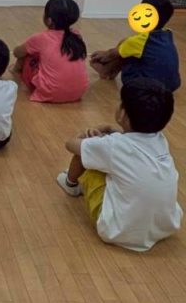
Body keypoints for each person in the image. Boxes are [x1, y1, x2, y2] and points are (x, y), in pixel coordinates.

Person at [56, 78, 182, 252]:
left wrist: (87, 134)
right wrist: (109, 131)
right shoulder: (161, 140)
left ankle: (70, 185)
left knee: (89, 157)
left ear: (123, 114)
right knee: (110, 161)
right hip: (165, 226)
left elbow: (71, 145)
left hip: (117, 230)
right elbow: (130, 145)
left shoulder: (113, 146)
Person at [90, 0, 180, 92]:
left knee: (126, 50)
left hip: (144, 86)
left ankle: (106, 72)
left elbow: (112, 54)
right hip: (171, 85)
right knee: (128, 46)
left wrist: (101, 56)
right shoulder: (167, 33)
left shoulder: (140, 41)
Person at [11, 0, 88, 103]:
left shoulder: (41, 38)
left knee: (28, 55)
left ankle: (15, 72)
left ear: (49, 20)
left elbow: (17, 53)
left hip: (51, 93)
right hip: (78, 93)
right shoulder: (76, 35)